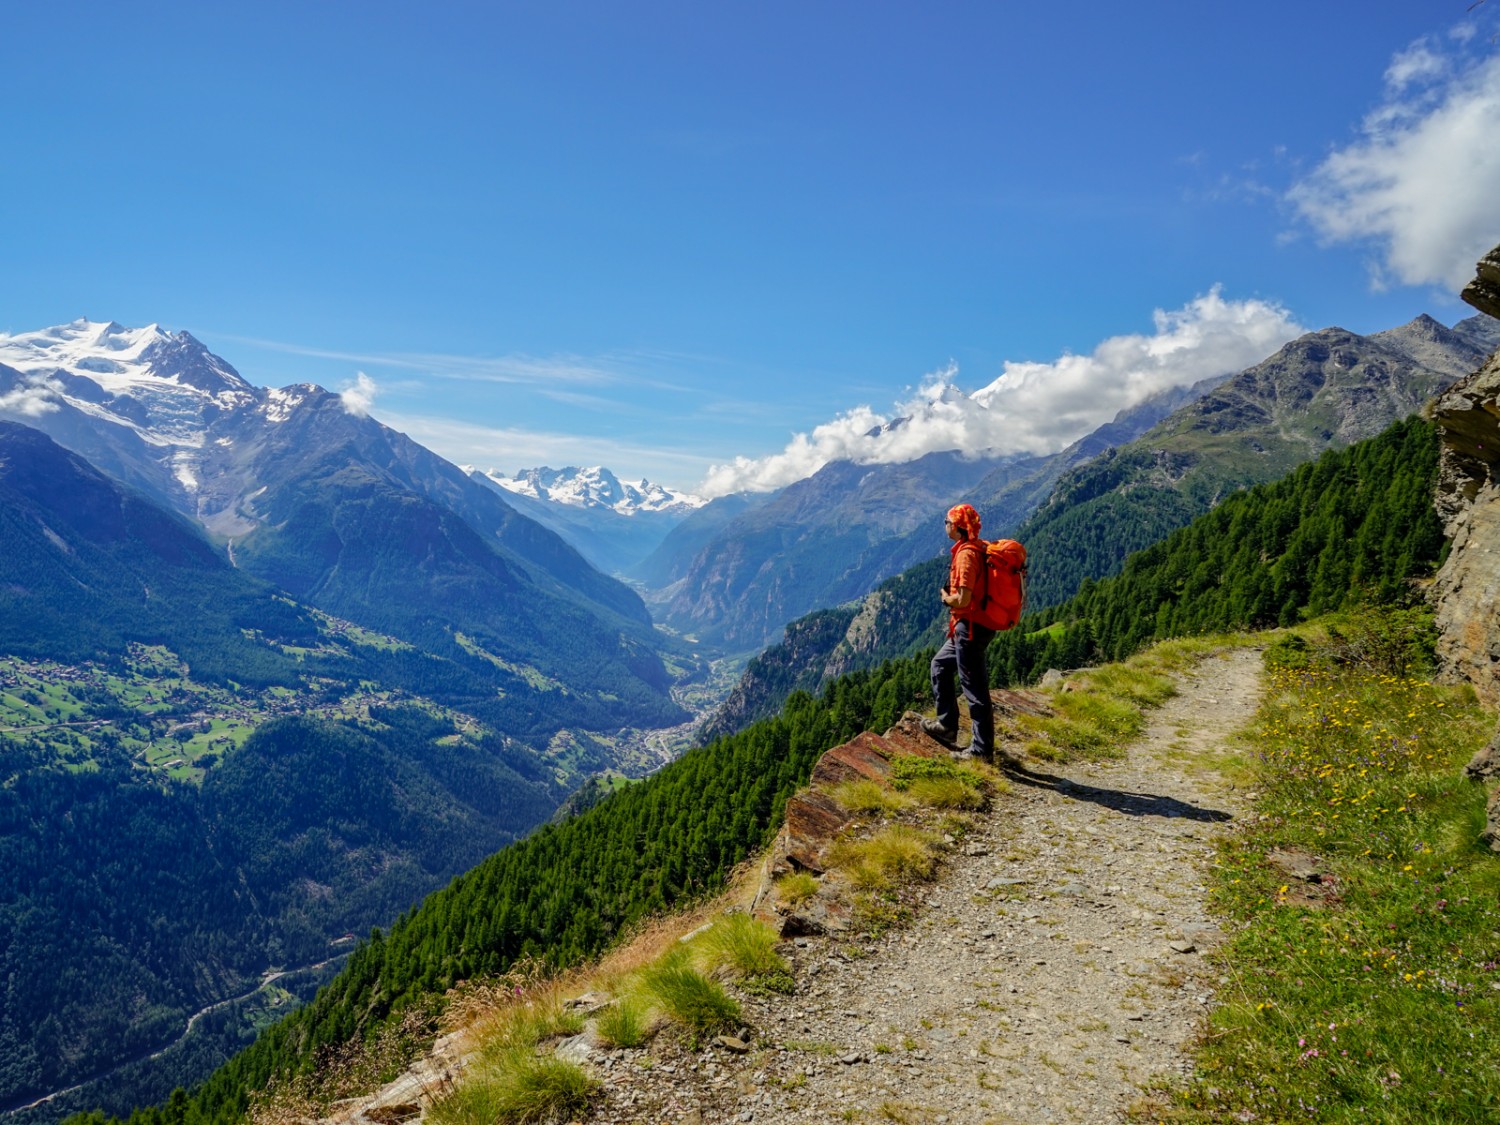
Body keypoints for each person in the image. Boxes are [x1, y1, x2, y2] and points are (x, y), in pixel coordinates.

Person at [923, 503, 995, 760]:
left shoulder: (966, 555)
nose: (944, 525)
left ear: (956, 526)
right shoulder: (977, 547)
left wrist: (946, 598)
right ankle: (946, 726)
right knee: (939, 666)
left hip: (971, 627)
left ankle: (981, 750)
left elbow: (963, 599)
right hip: (972, 625)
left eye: (946, 521)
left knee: (973, 687)